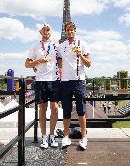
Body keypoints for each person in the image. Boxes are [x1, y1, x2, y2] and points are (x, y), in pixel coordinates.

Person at [25, 23, 60, 149]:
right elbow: (27, 64)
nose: (46, 32)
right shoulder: (35, 46)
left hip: (54, 80)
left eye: (48, 30)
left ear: (51, 32)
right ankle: (44, 137)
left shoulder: (57, 45)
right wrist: (39, 61)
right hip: (40, 80)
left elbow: (64, 59)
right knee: (42, 109)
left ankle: (52, 136)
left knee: (55, 108)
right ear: (41, 32)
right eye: (44, 30)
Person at [58, 21, 91, 150]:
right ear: (65, 31)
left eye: (72, 29)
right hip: (65, 82)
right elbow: (58, 62)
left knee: (81, 111)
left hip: (79, 81)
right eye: (67, 30)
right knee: (66, 111)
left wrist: (80, 55)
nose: (70, 32)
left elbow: (88, 64)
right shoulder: (62, 46)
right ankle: (66, 137)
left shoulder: (82, 44)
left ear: (75, 30)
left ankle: (84, 137)